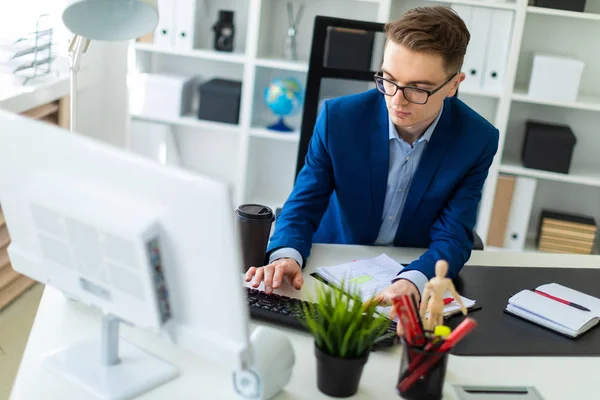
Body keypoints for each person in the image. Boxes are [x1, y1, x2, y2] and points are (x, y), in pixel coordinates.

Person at [245, 6, 499, 309]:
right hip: (330, 265)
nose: (396, 100)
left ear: (454, 85)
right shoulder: (338, 119)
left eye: (418, 89)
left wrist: (413, 279)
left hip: (411, 267)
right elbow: (303, 203)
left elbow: (455, 233)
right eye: (388, 80)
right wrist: (286, 255)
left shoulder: (477, 139)